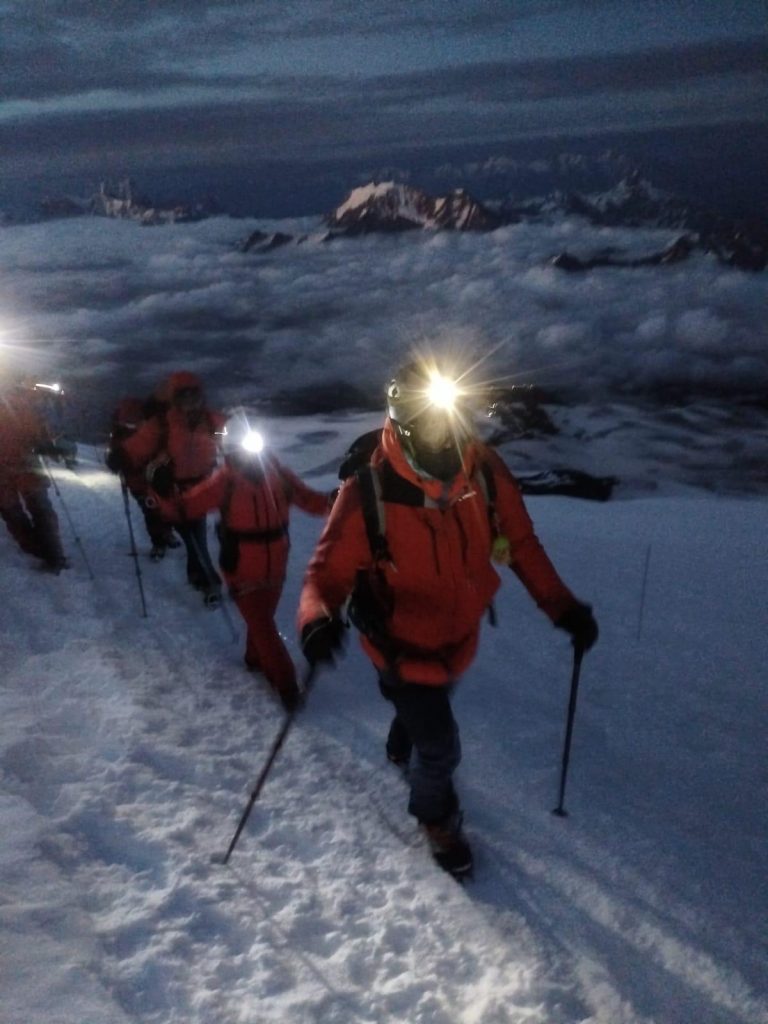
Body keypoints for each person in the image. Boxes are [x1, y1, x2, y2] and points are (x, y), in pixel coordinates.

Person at [297, 358, 598, 878]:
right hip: (398, 644)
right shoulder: (369, 493)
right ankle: (434, 817)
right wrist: (315, 621)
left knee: (426, 712)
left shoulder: (483, 470)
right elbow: (325, 577)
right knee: (440, 749)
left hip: (457, 638)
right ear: (407, 425)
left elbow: (520, 543)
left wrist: (562, 606)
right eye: (431, 422)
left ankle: (402, 740)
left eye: (449, 417)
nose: (445, 433)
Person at [160, 409, 332, 710]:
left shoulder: (278, 476)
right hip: (242, 567)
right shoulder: (224, 482)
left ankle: (254, 658)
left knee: (261, 620)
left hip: (274, 566)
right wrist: (160, 491)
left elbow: (313, 501)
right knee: (263, 624)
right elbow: (184, 509)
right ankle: (287, 685)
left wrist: (343, 497)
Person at [122, 371, 225, 604]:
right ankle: (206, 582)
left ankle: (202, 579)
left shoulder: (212, 421)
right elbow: (138, 445)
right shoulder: (163, 423)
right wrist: (122, 455)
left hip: (198, 491)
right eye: (183, 395)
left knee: (195, 538)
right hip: (170, 492)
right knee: (192, 537)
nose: (190, 400)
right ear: (175, 398)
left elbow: (226, 438)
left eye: (193, 394)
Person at [0, 381, 68, 572]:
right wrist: (46, 445)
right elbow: (41, 431)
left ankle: (38, 549)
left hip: (6, 468)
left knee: (12, 511)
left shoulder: (22, 404)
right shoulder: (26, 404)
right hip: (27, 463)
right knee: (40, 507)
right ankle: (54, 555)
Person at [105, 396, 180, 559]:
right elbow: (115, 459)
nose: (135, 424)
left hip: (155, 478)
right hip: (139, 482)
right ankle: (159, 542)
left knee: (164, 508)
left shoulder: (149, 432)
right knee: (151, 512)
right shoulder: (121, 437)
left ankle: (166, 534)